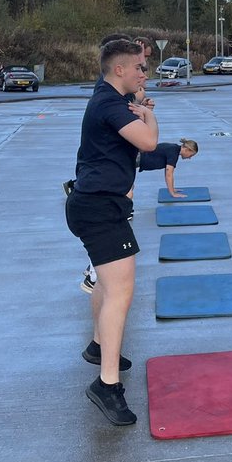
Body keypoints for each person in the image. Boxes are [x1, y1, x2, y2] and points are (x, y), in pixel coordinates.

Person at [64, 39, 159, 425]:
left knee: (105, 284)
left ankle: (99, 346)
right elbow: (150, 143)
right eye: (139, 68)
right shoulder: (109, 104)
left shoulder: (109, 97)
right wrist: (149, 116)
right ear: (119, 70)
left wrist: (139, 104)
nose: (144, 74)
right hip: (101, 208)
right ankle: (107, 384)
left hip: (94, 203)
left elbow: (134, 107)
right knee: (121, 293)